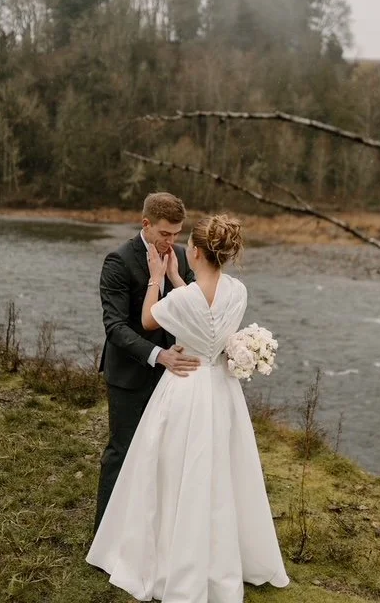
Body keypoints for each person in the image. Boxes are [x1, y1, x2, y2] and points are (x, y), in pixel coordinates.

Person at [87, 214, 290, 602]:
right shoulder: (238, 291)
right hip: (221, 389)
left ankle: (167, 552)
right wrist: (179, 281)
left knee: (172, 467)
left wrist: (155, 279)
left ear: (194, 252)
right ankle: (223, 556)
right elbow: (210, 318)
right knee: (222, 468)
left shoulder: (179, 299)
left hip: (184, 387)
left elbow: (149, 319)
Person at [94, 192, 200, 532]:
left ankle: (147, 533)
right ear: (146, 224)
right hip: (129, 374)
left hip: (173, 378)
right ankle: (105, 534)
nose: (172, 241)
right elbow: (115, 328)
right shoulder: (118, 261)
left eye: (177, 234)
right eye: (165, 234)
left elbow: (194, 308)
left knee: (163, 455)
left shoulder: (182, 258)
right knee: (122, 452)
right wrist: (158, 355)